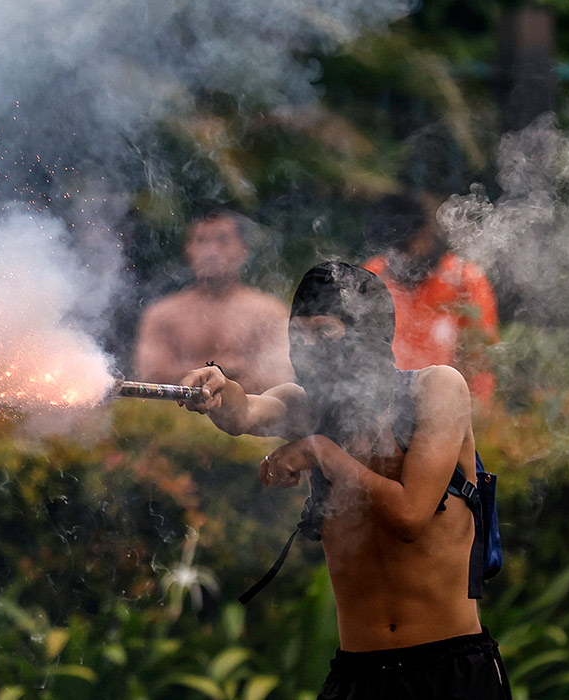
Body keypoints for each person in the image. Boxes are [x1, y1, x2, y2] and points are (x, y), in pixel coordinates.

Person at [180, 261, 511, 699]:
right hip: (358, 675)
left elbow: (411, 516)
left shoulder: (435, 390)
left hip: (451, 669)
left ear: (369, 333)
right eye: (298, 337)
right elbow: (246, 411)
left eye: (326, 333)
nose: (310, 349)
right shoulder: (307, 407)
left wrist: (321, 451)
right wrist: (219, 386)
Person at [132, 211, 295, 394]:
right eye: (201, 240)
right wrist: (222, 369)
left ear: (244, 250)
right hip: (174, 418)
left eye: (222, 240)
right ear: (189, 249)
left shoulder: (269, 313)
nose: (211, 251)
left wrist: (194, 375)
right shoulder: (162, 314)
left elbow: (276, 381)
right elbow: (149, 377)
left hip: (242, 418)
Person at [361, 192, 499, 404]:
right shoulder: (372, 276)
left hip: (443, 410)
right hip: (382, 410)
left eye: (406, 247)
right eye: (393, 249)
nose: (399, 257)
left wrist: (476, 419)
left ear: (426, 235)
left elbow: (480, 363)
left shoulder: (464, 281)